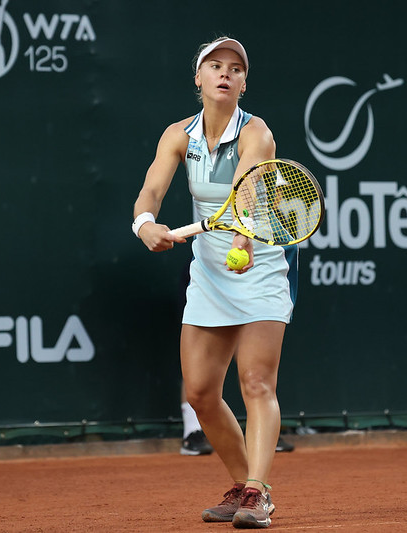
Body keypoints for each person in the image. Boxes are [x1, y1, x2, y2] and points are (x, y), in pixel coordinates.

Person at [133, 36, 297, 529]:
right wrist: (146, 225)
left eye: (235, 69)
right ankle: (241, 483)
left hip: (258, 264)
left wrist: (244, 242)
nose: (225, 74)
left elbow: (247, 194)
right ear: (199, 78)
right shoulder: (177, 135)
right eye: (215, 66)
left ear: (244, 83)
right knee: (201, 393)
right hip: (209, 274)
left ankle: (258, 493)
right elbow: (152, 189)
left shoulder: (258, 133)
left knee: (256, 382)